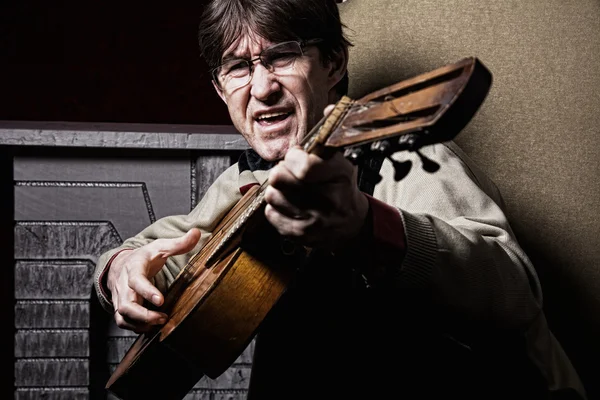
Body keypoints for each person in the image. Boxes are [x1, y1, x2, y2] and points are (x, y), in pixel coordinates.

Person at [93, 0, 587, 398]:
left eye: (282, 56)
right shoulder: (243, 183)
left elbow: (514, 291)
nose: (261, 87)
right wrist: (121, 268)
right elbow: (167, 246)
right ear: (221, 89)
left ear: (333, 63)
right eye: (238, 67)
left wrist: (366, 226)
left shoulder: (403, 157)